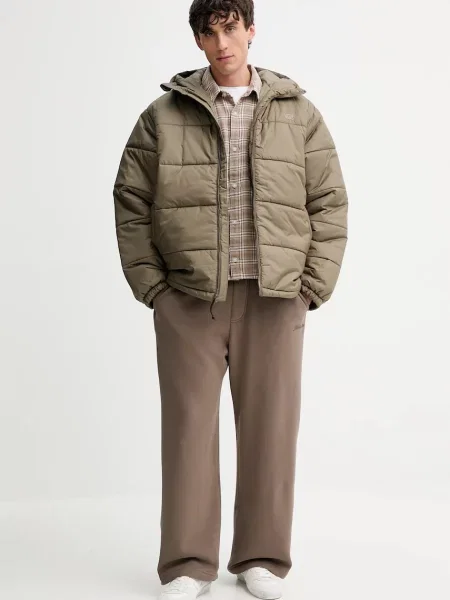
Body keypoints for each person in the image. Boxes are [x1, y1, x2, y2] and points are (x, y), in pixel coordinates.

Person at [113, 1, 348, 598]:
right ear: (198, 39)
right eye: (210, 31)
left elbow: (328, 201)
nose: (222, 42)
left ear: (251, 30)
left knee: (272, 430)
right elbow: (131, 202)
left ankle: (261, 558)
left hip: (275, 298)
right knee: (188, 432)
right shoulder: (163, 116)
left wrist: (311, 285)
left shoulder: (298, 113)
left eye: (231, 28)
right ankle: (188, 564)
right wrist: (155, 288)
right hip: (190, 298)